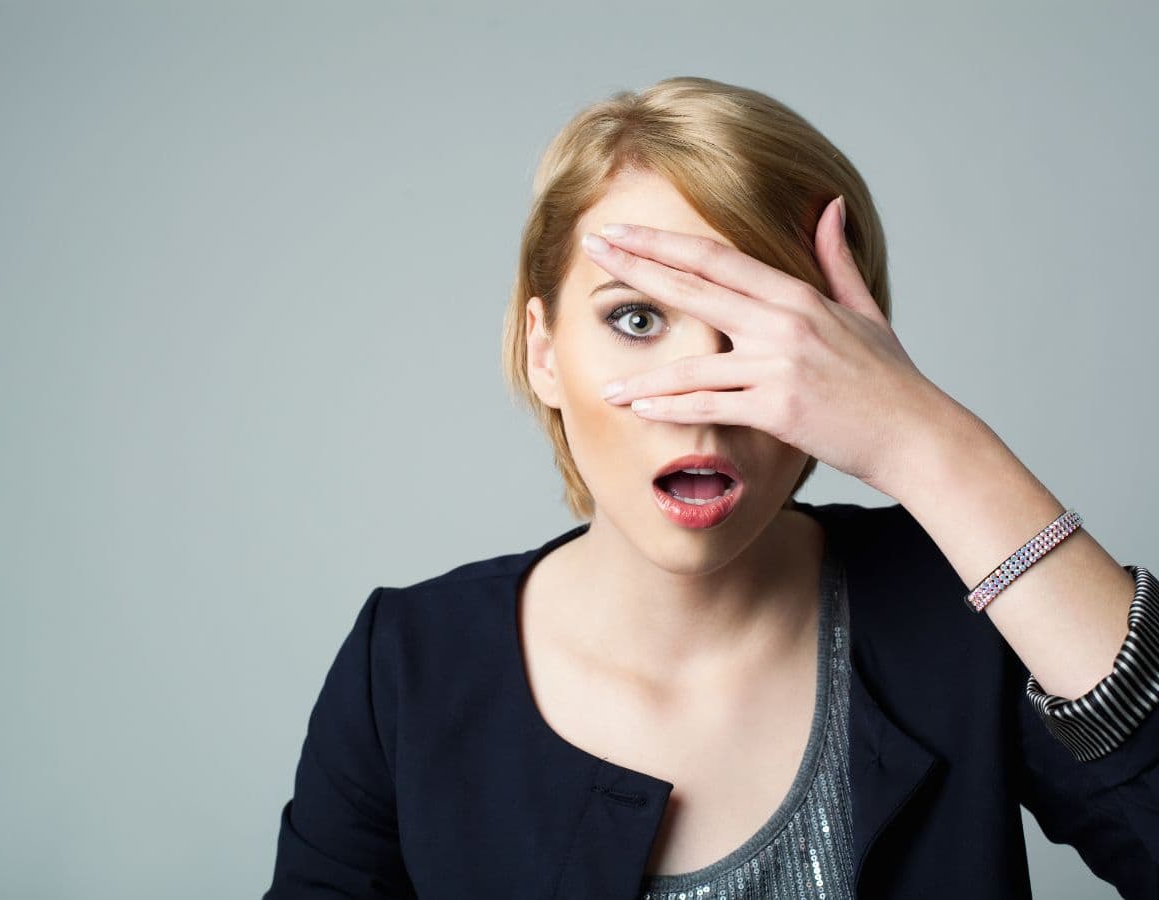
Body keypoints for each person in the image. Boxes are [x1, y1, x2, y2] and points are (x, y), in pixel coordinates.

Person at [262, 77, 1159, 899]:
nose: (703, 394)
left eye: (763, 329)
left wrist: (926, 441)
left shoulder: (965, 608)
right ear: (544, 351)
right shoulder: (408, 669)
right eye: (636, 318)